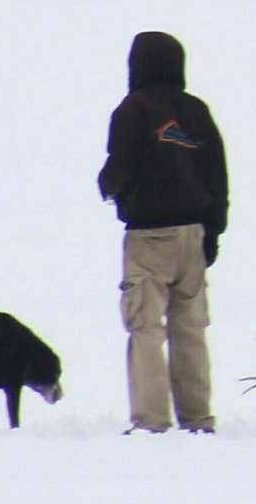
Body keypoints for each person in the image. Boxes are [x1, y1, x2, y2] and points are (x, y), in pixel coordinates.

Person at [96, 30, 229, 434]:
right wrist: (214, 231)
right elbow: (217, 174)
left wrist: (108, 186)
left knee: (146, 328)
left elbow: (120, 167)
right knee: (191, 329)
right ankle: (199, 418)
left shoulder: (133, 109)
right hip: (194, 234)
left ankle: (152, 421)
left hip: (149, 236)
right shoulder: (197, 111)